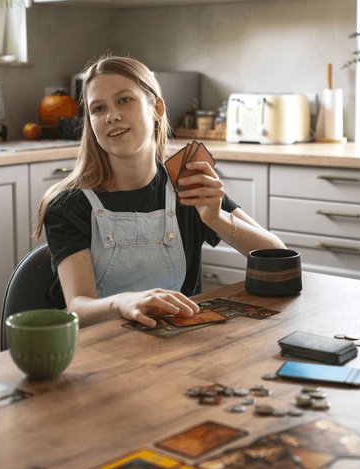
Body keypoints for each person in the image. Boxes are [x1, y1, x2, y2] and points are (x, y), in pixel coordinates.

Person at [34, 56, 285, 328]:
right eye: (98, 108)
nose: (112, 116)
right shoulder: (67, 205)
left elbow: (278, 258)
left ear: (157, 108)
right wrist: (123, 303)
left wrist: (215, 219)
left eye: (124, 100)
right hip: (101, 350)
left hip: (179, 345)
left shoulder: (189, 184)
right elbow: (78, 308)